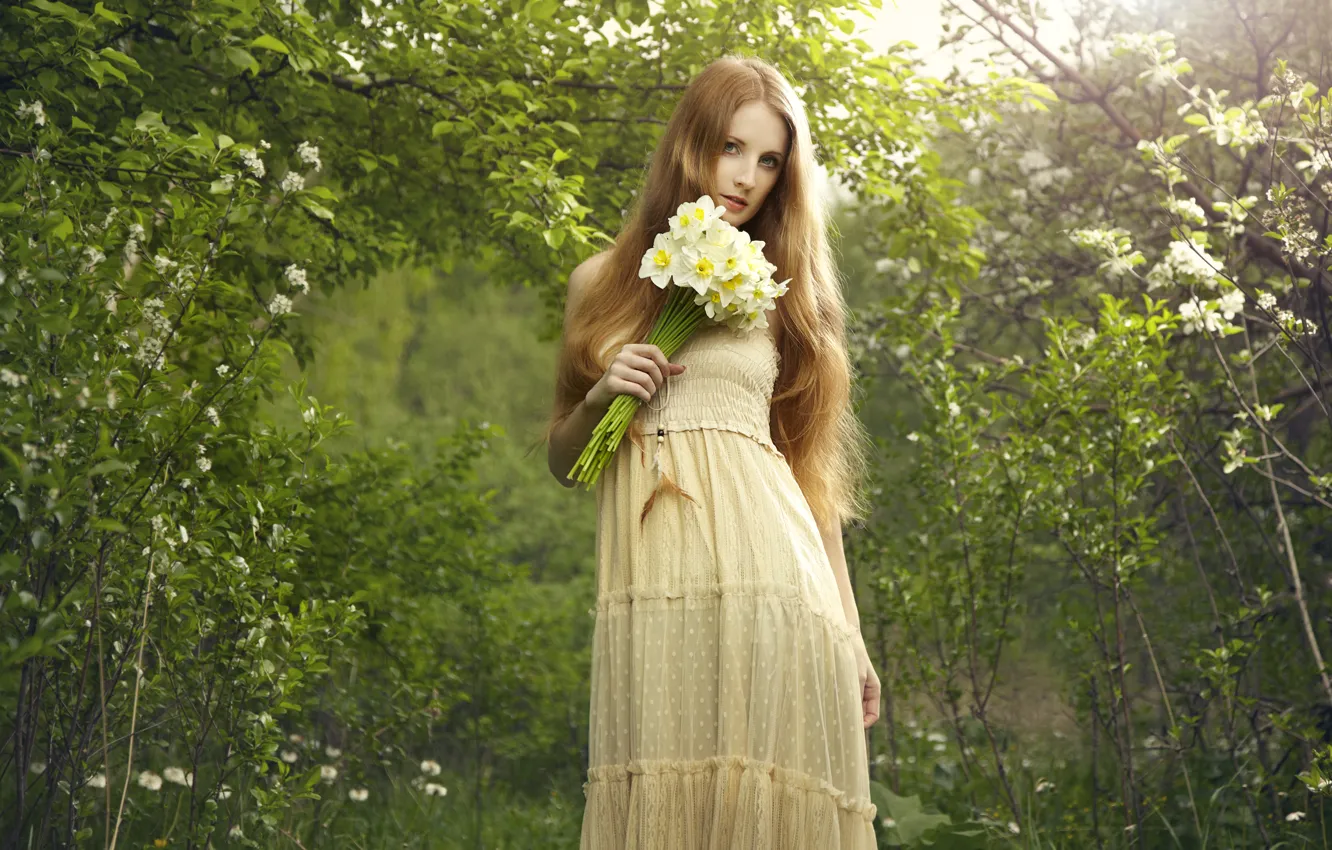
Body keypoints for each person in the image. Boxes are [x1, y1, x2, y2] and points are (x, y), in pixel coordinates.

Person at [543, 54, 880, 849]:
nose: (748, 179)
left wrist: (853, 634)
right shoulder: (600, 283)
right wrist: (601, 399)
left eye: (769, 161)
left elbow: (811, 483)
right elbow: (564, 462)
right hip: (656, 588)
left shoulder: (785, 296)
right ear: (691, 144)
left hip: (774, 584)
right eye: (733, 148)